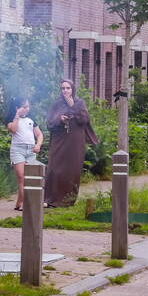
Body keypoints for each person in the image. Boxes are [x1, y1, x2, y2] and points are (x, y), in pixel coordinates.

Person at [44, 79, 98, 207]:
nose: (65, 91)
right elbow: (49, 123)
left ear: (72, 89)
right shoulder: (56, 104)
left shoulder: (79, 103)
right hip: (59, 141)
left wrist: (72, 105)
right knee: (54, 168)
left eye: (68, 88)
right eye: (63, 88)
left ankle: (67, 200)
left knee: (71, 170)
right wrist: (59, 119)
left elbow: (84, 119)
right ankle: (50, 199)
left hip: (75, 142)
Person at [7, 97, 43, 212]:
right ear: (17, 108)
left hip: (31, 151)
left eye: (28, 106)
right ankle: (25, 204)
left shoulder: (31, 120)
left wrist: (38, 145)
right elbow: (13, 130)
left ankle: (19, 203)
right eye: (25, 107)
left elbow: (39, 135)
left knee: (30, 178)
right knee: (22, 178)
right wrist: (17, 115)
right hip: (18, 150)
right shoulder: (11, 119)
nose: (28, 109)